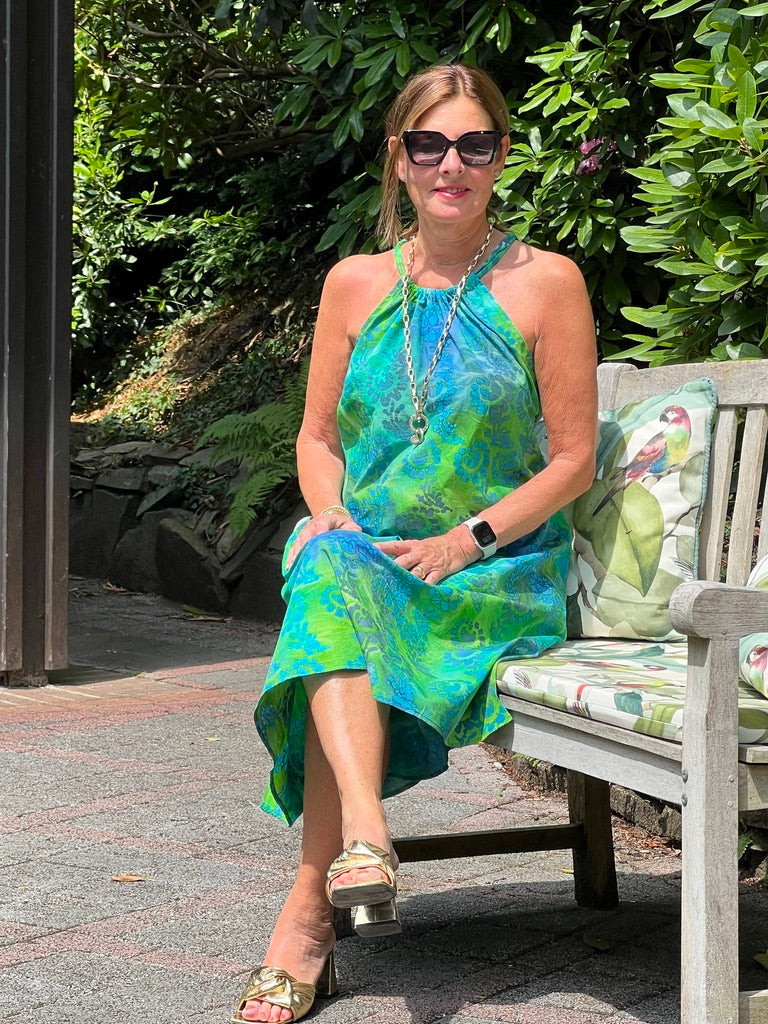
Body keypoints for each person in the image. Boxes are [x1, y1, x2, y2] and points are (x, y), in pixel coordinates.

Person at [232, 62, 598, 1023]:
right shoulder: (353, 284)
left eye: (474, 145)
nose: (452, 165)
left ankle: (311, 911)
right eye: (429, 144)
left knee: (328, 594)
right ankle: (363, 836)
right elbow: (317, 440)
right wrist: (332, 509)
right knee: (327, 562)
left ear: (501, 157)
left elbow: (574, 461)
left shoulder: (547, 283)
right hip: (373, 556)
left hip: (494, 569)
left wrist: (467, 539)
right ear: (399, 158)